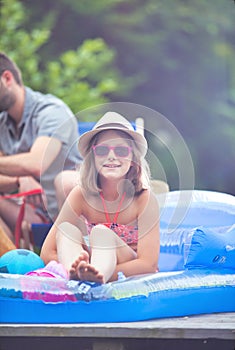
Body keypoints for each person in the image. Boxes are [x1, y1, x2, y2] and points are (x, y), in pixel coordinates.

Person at [40, 112, 160, 283]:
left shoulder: (143, 199)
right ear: (92, 158)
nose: (112, 156)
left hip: (126, 266)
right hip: (94, 263)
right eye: (102, 150)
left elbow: (148, 264)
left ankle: (95, 276)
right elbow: (47, 252)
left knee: (101, 233)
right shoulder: (81, 195)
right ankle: (73, 274)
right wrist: (79, 266)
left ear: (133, 157)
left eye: (120, 150)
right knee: (66, 230)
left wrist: (107, 273)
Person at [0, 52, 82, 242]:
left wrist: (21, 172)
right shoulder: (3, 123)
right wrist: (19, 179)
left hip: (71, 212)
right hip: (29, 210)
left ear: (7, 78)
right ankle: (11, 263)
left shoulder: (52, 111)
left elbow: (36, 163)